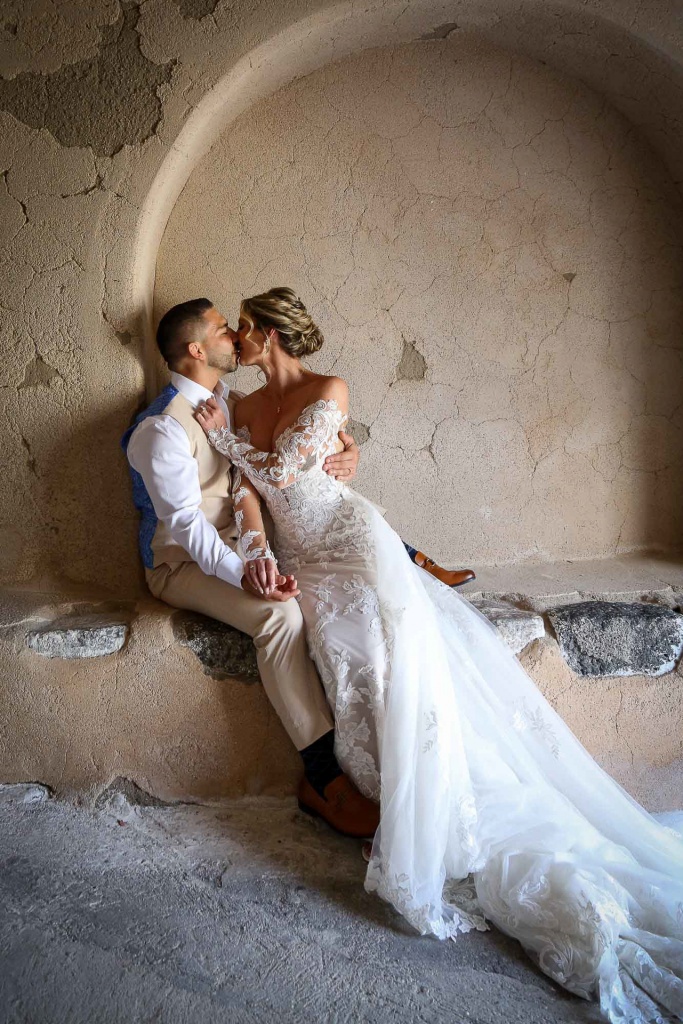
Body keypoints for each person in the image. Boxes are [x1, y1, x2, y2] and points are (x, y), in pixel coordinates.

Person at [195, 286, 683, 1024]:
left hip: (354, 545)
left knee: (391, 662)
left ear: (269, 334)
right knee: (353, 671)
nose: (235, 336)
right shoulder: (236, 404)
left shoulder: (328, 390)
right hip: (307, 564)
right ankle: (389, 799)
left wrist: (246, 443)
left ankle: (431, 806)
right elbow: (250, 494)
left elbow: (288, 470)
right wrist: (257, 544)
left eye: (243, 327)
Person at [121, 298, 470, 840]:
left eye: (237, 327)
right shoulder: (161, 429)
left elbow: (270, 468)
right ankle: (323, 779)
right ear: (197, 350)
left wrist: (345, 451)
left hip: (253, 547)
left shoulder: (230, 400)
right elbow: (187, 528)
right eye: (223, 329)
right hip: (183, 562)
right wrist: (246, 571)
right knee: (281, 617)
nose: (234, 336)